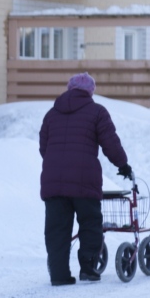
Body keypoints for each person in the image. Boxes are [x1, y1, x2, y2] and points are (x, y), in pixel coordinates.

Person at [39, 72, 132, 286]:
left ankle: (59, 275)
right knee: (90, 223)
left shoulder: (52, 114)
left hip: (53, 183)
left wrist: (57, 165)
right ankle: (89, 269)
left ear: (70, 89)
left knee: (57, 230)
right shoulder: (97, 112)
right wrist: (123, 165)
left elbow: (44, 148)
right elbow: (110, 143)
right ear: (90, 91)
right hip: (84, 181)